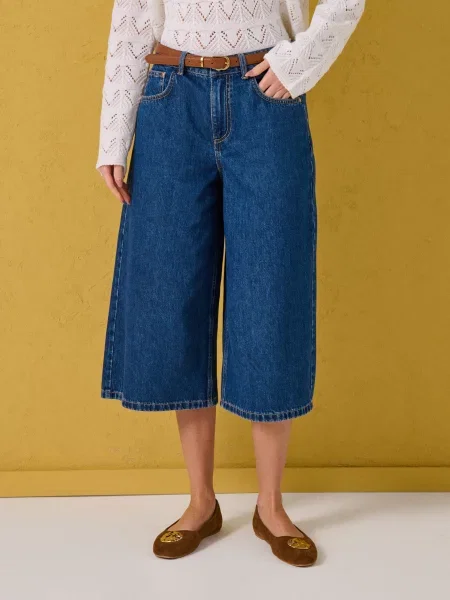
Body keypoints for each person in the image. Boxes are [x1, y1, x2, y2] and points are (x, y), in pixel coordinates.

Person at [96, 0, 365, 567]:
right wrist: (113, 136)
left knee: (272, 294)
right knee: (175, 296)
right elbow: (133, 18)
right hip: (169, 97)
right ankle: (201, 502)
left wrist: (299, 62)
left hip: (265, 95)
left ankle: (271, 507)